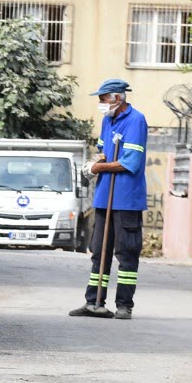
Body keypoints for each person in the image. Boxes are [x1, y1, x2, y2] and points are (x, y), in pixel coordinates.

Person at [69, 78, 148, 320]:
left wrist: (98, 169)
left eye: (103, 99)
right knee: (98, 251)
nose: (101, 103)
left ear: (117, 98)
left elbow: (130, 163)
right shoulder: (108, 120)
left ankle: (124, 305)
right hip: (105, 197)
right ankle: (94, 301)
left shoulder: (136, 120)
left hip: (126, 199)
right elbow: (103, 151)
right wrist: (96, 160)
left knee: (126, 252)